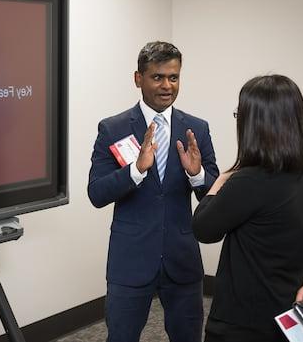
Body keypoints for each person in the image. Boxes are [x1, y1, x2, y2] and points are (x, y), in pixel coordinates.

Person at [88, 41, 219, 342]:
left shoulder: (196, 129)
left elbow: (213, 198)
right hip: (130, 261)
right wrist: (135, 170)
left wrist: (197, 174)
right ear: (138, 79)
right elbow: (96, 193)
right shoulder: (113, 128)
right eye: (157, 77)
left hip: (182, 260)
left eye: (173, 77)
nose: (167, 86)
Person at [192, 74, 303, 342]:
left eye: (240, 114)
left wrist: (223, 178)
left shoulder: (250, 180)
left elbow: (203, 228)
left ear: (255, 124)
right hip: (290, 317)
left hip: (241, 323)